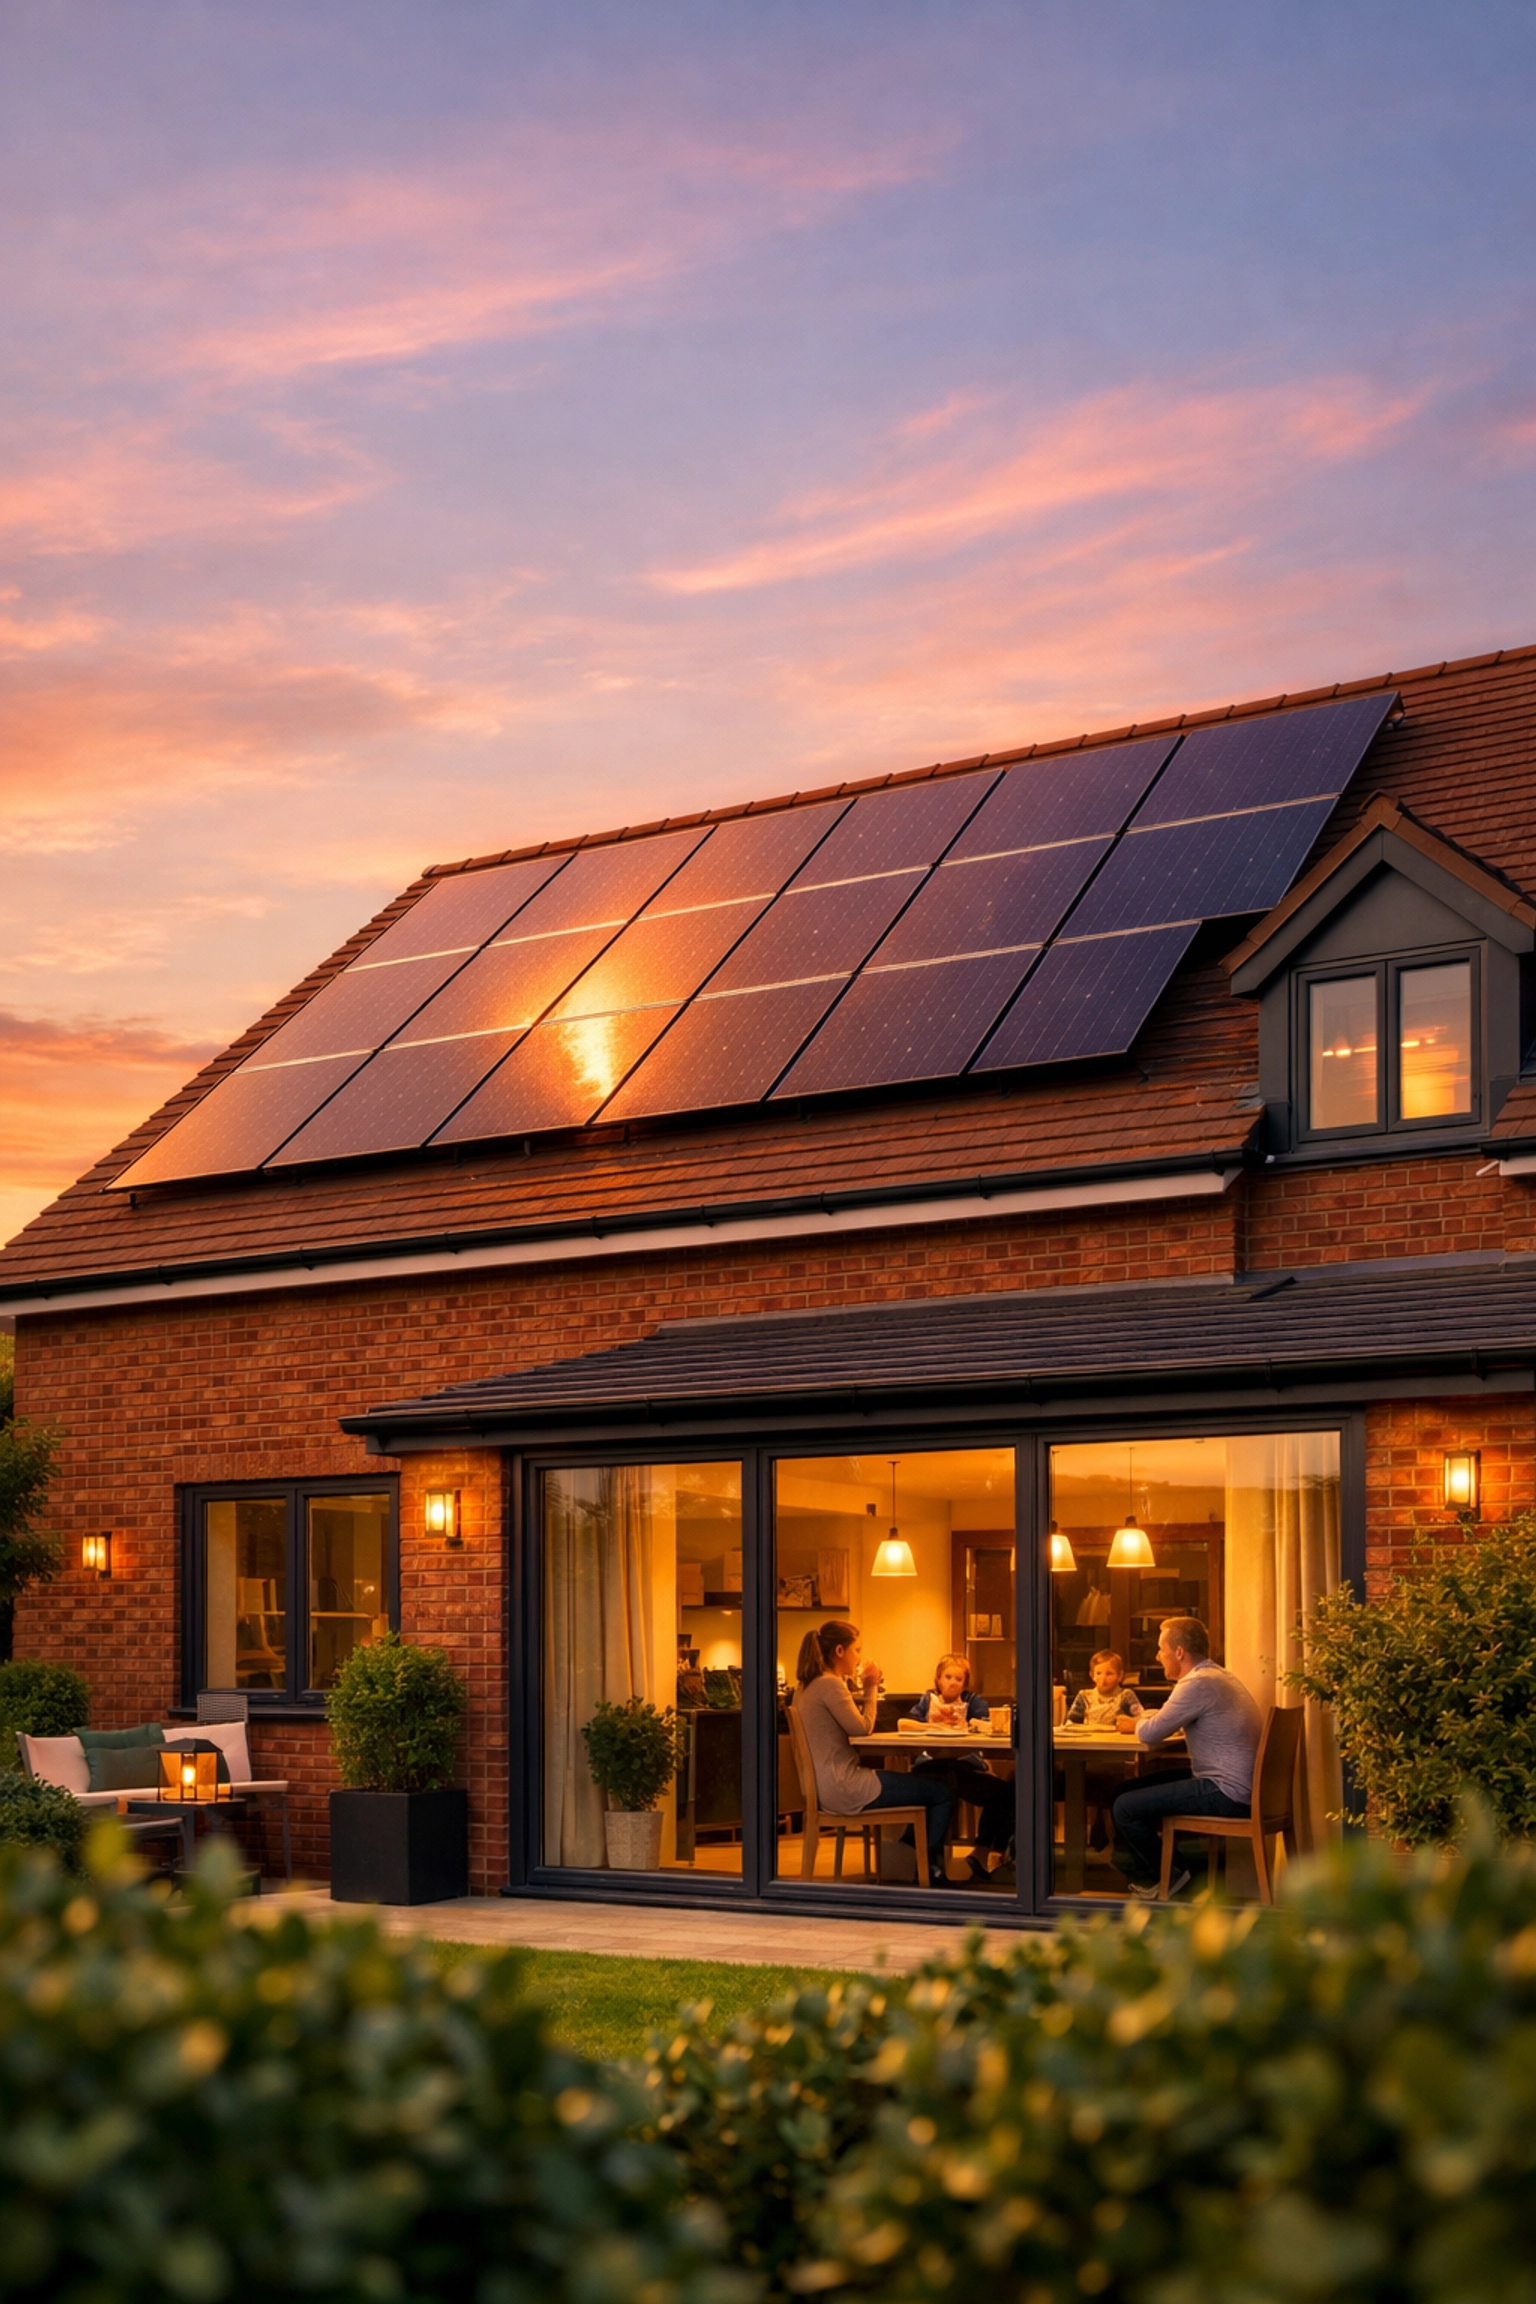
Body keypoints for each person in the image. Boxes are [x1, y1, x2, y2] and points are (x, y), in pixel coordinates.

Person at [1110, 1616, 1261, 1899]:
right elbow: (1169, 1720)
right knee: (1124, 1791)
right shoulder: (1218, 1676)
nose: (1158, 1656)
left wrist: (1139, 1720)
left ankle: (1171, 1876)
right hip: (1239, 1787)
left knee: (1125, 1807)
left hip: (1225, 1792)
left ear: (1179, 1652)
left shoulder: (1196, 1684)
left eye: (1161, 1649)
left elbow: (1150, 1733)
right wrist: (1151, 1718)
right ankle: (1166, 1873)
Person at [793, 1620, 957, 1880]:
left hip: (825, 1788)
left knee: (928, 1782)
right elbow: (862, 1728)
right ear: (840, 1651)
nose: (858, 1657)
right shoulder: (829, 1684)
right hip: (846, 1787)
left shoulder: (805, 1688)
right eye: (856, 1650)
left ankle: (909, 1852)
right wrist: (871, 1685)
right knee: (942, 1792)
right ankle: (929, 1872)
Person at [905, 1653, 1015, 1880]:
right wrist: (935, 1726)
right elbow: (904, 1724)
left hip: (963, 1766)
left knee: (1005, 1792)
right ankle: (928, 1860)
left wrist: (967, 1724)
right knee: (942, 1786)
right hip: (931, 1765)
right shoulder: (927, 1701)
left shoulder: (973, 1702)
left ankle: (981, 1852)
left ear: (965, 1683)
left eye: (958, 1679)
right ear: (938, 1679)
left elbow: (988, 1727)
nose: (953, 1683)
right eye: (948, 1677)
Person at [1065, 1650, 1145, 1728]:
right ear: (1092, 1675)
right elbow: (1071, 1721)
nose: (1103, 1678)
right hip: (1090, 1736)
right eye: (1098, 1673)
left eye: (1109, 1674)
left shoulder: (1126, 1696)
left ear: (1120, 1676)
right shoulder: (1084, 1696)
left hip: (1116, 1736)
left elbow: (1141, 1717)